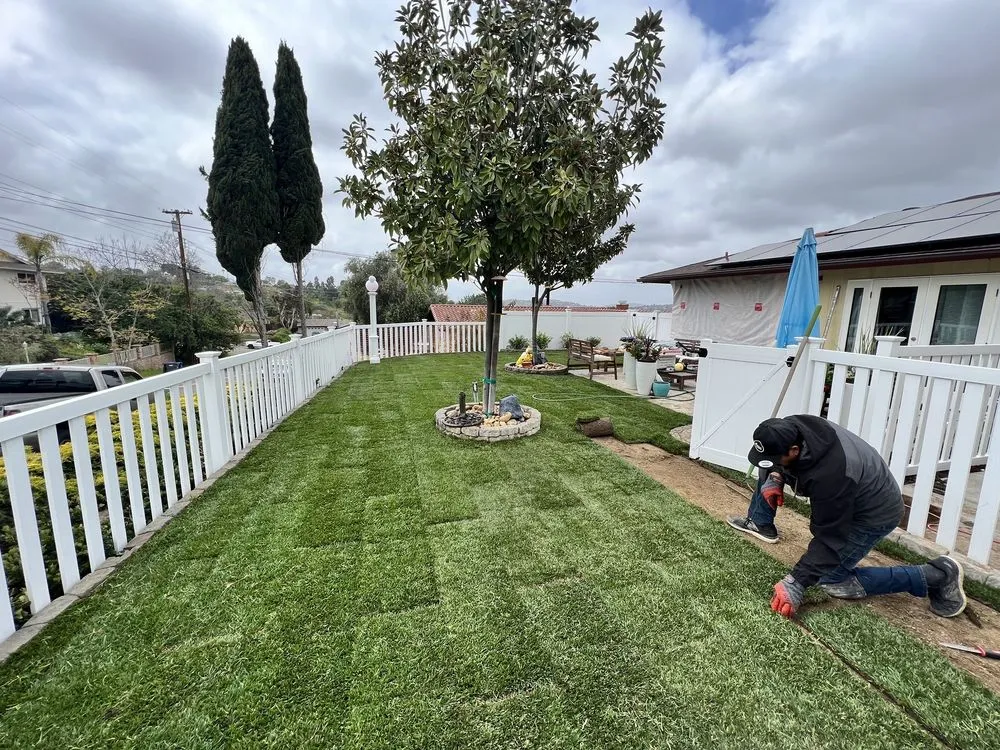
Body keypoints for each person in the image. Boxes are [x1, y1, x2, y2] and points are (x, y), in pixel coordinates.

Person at [726, 414, 968, 620]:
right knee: (768, 466)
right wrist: (775, 476)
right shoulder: (787, 429)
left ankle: (938, 575)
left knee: (832, 579)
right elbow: (773, 458)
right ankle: (761, 522)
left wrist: (796, 582)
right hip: (849, 487)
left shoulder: (833, 475)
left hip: (874, 512)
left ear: (795, 450)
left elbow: (830, 537)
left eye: (779, 462)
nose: (771, 465)